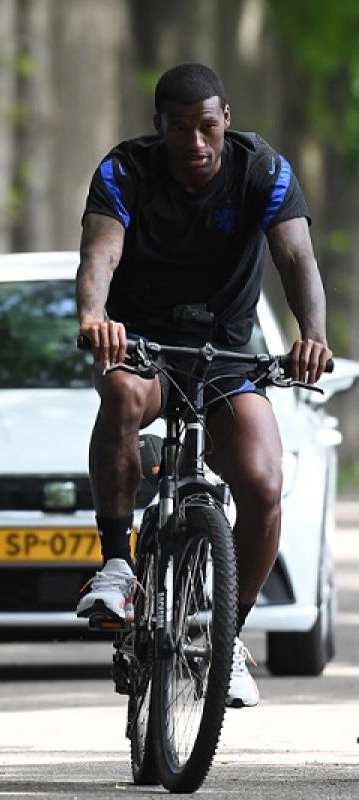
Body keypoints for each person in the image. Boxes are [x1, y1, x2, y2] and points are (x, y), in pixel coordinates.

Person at [75, 63, 332, 708]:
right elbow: (100, 253)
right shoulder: (126, 171)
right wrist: (94, 318)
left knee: (264, 483)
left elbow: (297, 257)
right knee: (123, 396)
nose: (196, 144)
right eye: (181, 129)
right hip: (143, 344)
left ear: (227, 119)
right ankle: (116, 563)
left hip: (226, 352)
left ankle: (226, 637)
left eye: (208, 127)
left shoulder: (263, 170)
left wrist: (313, 334)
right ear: (158, 127)